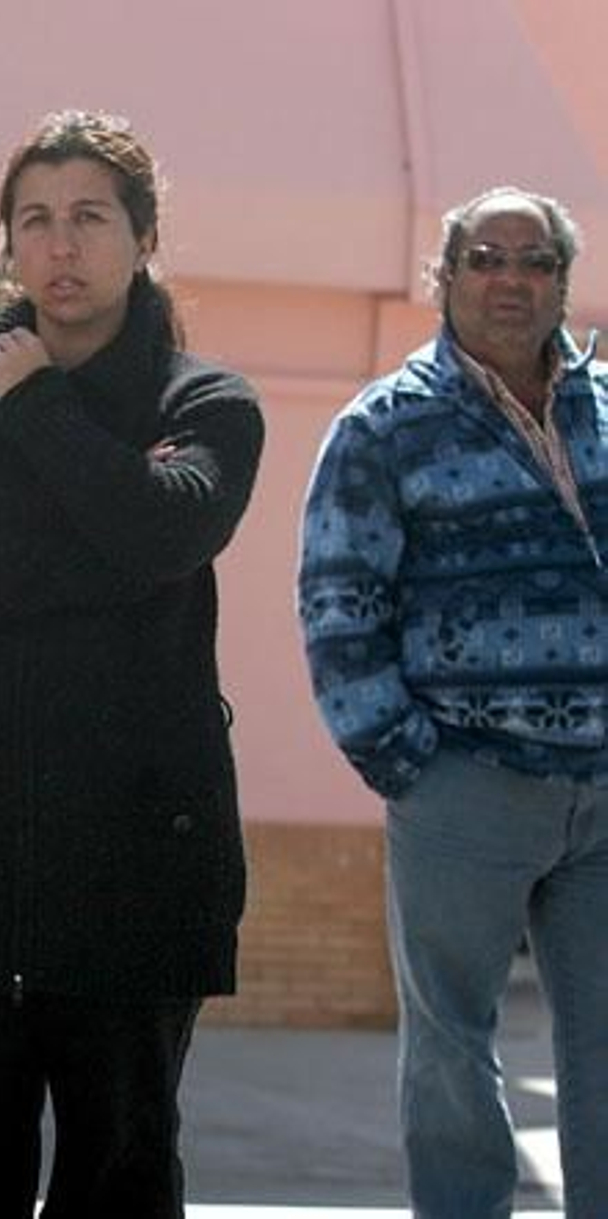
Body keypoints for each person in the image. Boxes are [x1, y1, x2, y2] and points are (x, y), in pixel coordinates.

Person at [0, 110, 263, 1218]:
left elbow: (166, 531)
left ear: (142, 238)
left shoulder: (204, 402)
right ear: (5, 245)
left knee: (120, 1171)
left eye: (89, 216)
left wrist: (35, 402)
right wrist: (112, 541)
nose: (60, 244)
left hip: (139, 855)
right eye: (33, 219)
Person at [298, 186, 608, 1218]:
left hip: (603, 794)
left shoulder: (604, 411)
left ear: (562, 282)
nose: (509, 280)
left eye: (534, 261)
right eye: (485, 258)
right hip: (462, 784)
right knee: (449, 1045)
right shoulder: (385, 427)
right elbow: (339, 604)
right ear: (446, 277)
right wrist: (406, 764)